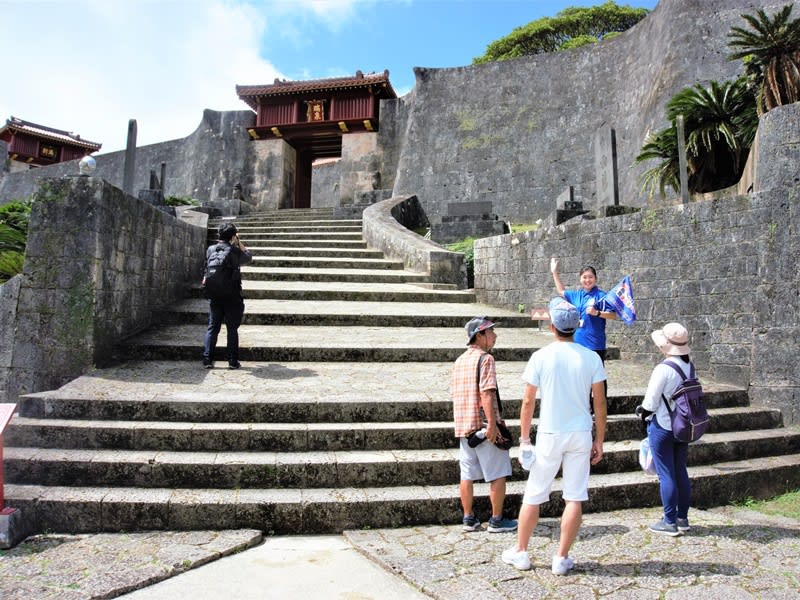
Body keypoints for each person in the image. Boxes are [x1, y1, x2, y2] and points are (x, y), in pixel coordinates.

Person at [501, 298, 606, 574]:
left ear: (552, 327)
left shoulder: (541, 356)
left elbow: (527, 401)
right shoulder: (591, 357)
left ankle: (521, 551)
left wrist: (524, 439)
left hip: (550, 431)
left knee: (534, 493)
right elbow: (600, 402)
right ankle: (561, 557)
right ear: (576, 326)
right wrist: (600, 439)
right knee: (574, 496)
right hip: (580, 431)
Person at [450, 316, 518, 534]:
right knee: (498, 473)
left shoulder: (459, 361)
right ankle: (496, 519)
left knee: (467, 474)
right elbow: (487, 393)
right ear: (479, 335)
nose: (494, 336)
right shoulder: (486, 359)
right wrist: (492, 425)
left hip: (465, 428)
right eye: (490, 332)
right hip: (483, 425)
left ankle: (468, 518)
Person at [639, 322, 694, 536]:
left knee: (666, 474)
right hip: (683, 426)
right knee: (680, 470)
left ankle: (669, 521)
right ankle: (682, 518)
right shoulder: (689, 365)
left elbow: (650, 403)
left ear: (665, 346)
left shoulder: (664, 369)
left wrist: (642, 413)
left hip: (663, 425)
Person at [202, 222, 252, 369]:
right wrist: (239, 242)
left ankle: (207, 359)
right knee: (232, 329)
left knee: (213, 327)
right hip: (232, 295)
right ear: (232, 236)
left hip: (214, 293)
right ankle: (232, 361)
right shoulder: (234, 251)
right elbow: (248, 256)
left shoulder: (211, 249)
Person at [550, 258, 617, 362]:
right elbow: (561, 291)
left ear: (595, 278)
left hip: (595, 345)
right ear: (580, 279)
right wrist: (554, 272)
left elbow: (613, 315)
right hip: (577, 343)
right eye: (584, 277)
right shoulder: (576, 295)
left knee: (597, 377)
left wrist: (597, 313)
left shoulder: (602, 296)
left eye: (590, 277)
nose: (587, 280)